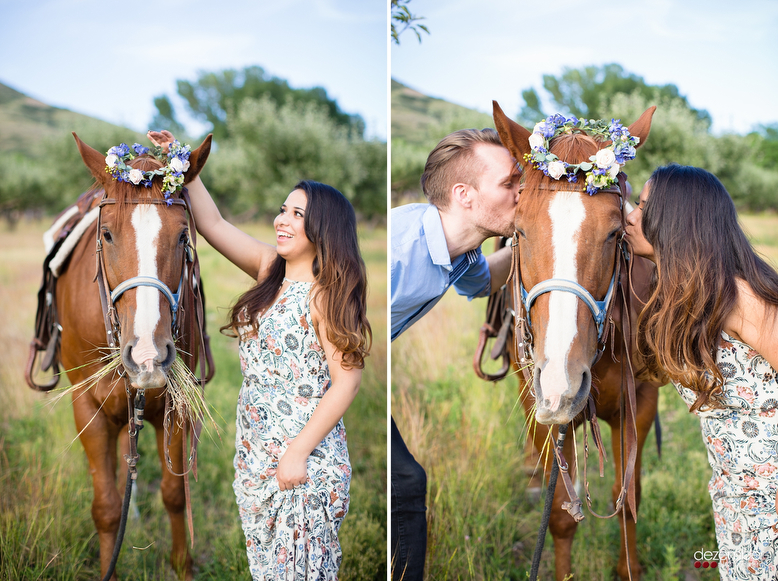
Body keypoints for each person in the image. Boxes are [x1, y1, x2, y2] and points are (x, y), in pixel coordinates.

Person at [146, 131, 372, 580]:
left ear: (323, 228)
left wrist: (296, 454)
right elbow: (212, 225)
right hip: (255, 450)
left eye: (297, 214)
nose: (281, 220)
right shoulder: (272, 269)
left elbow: (347, 381)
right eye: (282, 210)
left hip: (302, 454)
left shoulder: (326, 295)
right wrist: (180, 162)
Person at [625, 164, 778, 580]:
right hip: (736, 493)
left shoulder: (740, 296)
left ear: (677, 221)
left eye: (643, 206)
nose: (631, 216)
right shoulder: (689, 296)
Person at [391, 128, 521, 580]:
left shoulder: (461, 249)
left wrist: (534, 244)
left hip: (343, 366)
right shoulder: (398, 252)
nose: (522, 192)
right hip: (317, 368)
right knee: (404, 482)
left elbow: (485, 280)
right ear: (464, 195)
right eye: (510, 184)